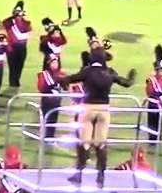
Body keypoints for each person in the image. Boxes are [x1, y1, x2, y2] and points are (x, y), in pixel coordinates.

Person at [57, 50, 137, 185]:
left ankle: (79, 174)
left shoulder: (88, 71)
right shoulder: (110, 72)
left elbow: (69, 79)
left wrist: (60, 80)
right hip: (104, 110)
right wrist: (132, 76)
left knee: (84, 143)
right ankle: (101, 176)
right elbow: (127, 83)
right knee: (101, 144)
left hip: (88, 109)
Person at [2, 1, 32, 88]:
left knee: (20, 65)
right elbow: (4, 22)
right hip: (11, 48)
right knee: (12, 66)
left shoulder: (26, 23)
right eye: (17, 11)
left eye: (20, 11)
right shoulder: (10, 22)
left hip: (22, 48)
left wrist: (22, 16)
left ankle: (16, 79)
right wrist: (14, 15)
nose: (18, 14)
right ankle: (12, 82)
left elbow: (28, 28)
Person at [36, 55, 65, 141]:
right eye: (53, 62)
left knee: (54, 120)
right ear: (48, 64)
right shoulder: (43, 75)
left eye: (56, 62)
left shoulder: (61, 74)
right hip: (47, 101)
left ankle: (50, 137)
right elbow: (40, 87)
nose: (55, 64)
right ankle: (45, 136)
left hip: (57, 101)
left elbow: (66, 87)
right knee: (46, 119)